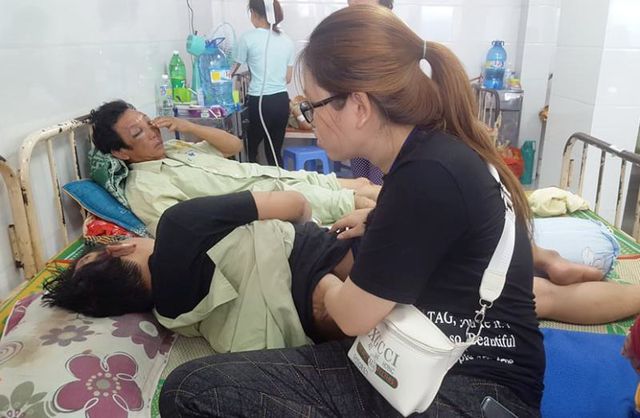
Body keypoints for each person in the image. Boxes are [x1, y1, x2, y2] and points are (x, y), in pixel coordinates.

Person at [160, 6, 545, 417]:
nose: (309, 119)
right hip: (437, 364)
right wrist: (377, 221)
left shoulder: (426, 175)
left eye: (312, 106)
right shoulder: (433, 154)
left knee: (190, 392)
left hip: (467, 388)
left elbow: (349, 316)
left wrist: (307, 274)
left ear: (358, 106)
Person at [43, 191, 352, 351]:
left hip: (306, 324)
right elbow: (295, 204)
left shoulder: (169, 316)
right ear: (118, 248)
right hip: (318, 257)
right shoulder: (178, 224)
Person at [90, 100, 379, 235]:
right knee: (361, 201)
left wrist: (189, 127)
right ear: (120, 152)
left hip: (280, 177)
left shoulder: (175, 149)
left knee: (364, 184)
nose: (153, 132)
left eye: (147, 121)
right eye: (138, 132)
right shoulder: (145, 187)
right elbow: (180, 231)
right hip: (275, 199)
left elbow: (233, 145)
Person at [230, 0, 293, 166]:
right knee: (274, 152)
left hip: (261, 102)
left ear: (254, 13)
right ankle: (280, 181)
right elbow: (288, 78)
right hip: (281, 102)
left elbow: (230, 72)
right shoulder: (287, 40)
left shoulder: (247, 38)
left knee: (251, 149)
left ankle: (254, 180)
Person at [347, 0, 394, 185]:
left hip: (383, 121)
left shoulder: (391, 32)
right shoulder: (354, 31)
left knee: (378, 186)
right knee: (361, 183)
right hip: (358, 120)